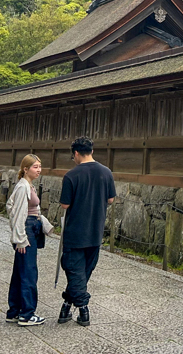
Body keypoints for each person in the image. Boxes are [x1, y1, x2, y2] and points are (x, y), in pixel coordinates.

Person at [57, 137, 115, 327]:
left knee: (75, 271)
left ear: (75, 153)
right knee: (81, 273)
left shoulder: (71, 176)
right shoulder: (106, 173)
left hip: (75, 232)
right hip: (95, 231)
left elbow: (65, 204)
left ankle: (83, 309)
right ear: (91, 151)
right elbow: (111, 200)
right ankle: (66, 306)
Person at [6, 154, 49, 327]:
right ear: (25, 169)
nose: (39, 170)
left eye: (39, 166)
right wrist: (20, 238)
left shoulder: (27, 185)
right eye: (35, 167)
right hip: (26, 230)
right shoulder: (23, 186)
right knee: (28, 272)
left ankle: (14, 311)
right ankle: (27, 314)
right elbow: (17, 213)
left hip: (29, 227)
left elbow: (10, 205)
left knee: (20, 272)